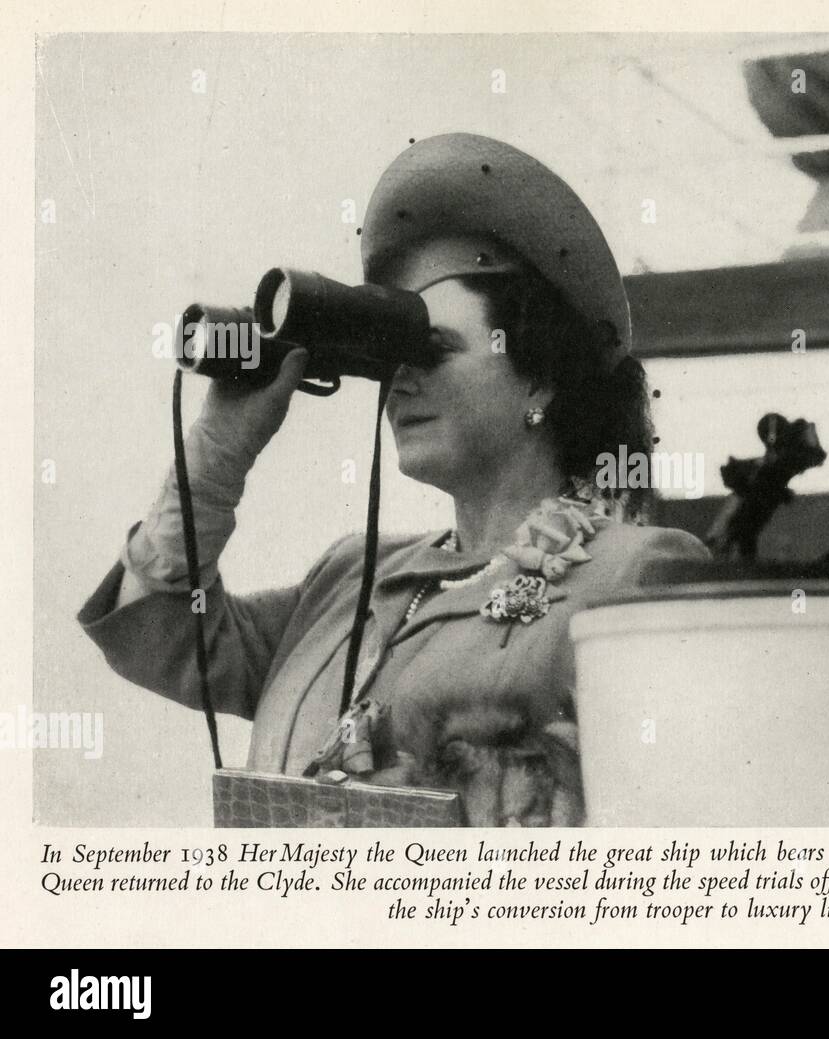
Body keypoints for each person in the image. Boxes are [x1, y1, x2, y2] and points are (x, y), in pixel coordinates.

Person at [78, 133, 709, 826]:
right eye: (390, 356)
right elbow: (157, 629)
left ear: (541, 375)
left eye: (430, 349)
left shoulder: (637, 573)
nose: (398, 378)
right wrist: (221, 449)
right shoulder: (349, 577)